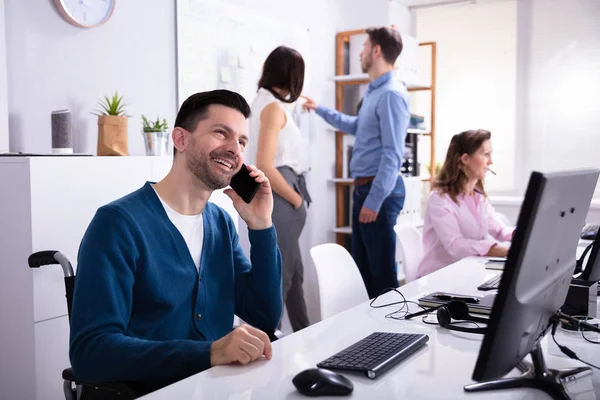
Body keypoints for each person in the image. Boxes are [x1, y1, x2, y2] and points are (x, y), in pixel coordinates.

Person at [69, 90, 283, 394]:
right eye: (221, 132)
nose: (235, 149)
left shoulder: (221, 223)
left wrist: (261, 226)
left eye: (242, 142)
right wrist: (210, 353)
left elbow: (263, 316)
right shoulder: (118, 224)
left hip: (219, 389)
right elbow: (90, 353)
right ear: (180, 140)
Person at [303, 27, 409, 299]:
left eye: (364, 47)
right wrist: (320, 109)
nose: (359, 52)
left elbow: (393, 154)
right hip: (365, 189)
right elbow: (356, 125)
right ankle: (370, 339)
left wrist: (374, 201)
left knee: (381, 277)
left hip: (378, 192)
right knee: (362, 273)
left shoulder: (390, 95)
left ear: (376, 51)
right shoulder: (374, 93)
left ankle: (391, 339)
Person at [246, 46, 311, 332]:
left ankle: (306, 335)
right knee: (282, 276)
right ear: (292, 75)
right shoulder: (272, 108)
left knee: (293, 274)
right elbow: (266, 164)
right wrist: (296, 200)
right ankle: (268, 341)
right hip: (283, 193)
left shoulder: (264, 102)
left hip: (281, 192)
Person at [417, 129, 514, 278]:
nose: (491, 161)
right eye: (486, 154)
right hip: (439, 278)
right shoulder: (440, 199)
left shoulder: (478, 196)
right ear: (465, 159)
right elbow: (455, 245)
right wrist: (498, 249)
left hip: (467, 273)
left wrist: (525, 234)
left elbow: (499, 230)